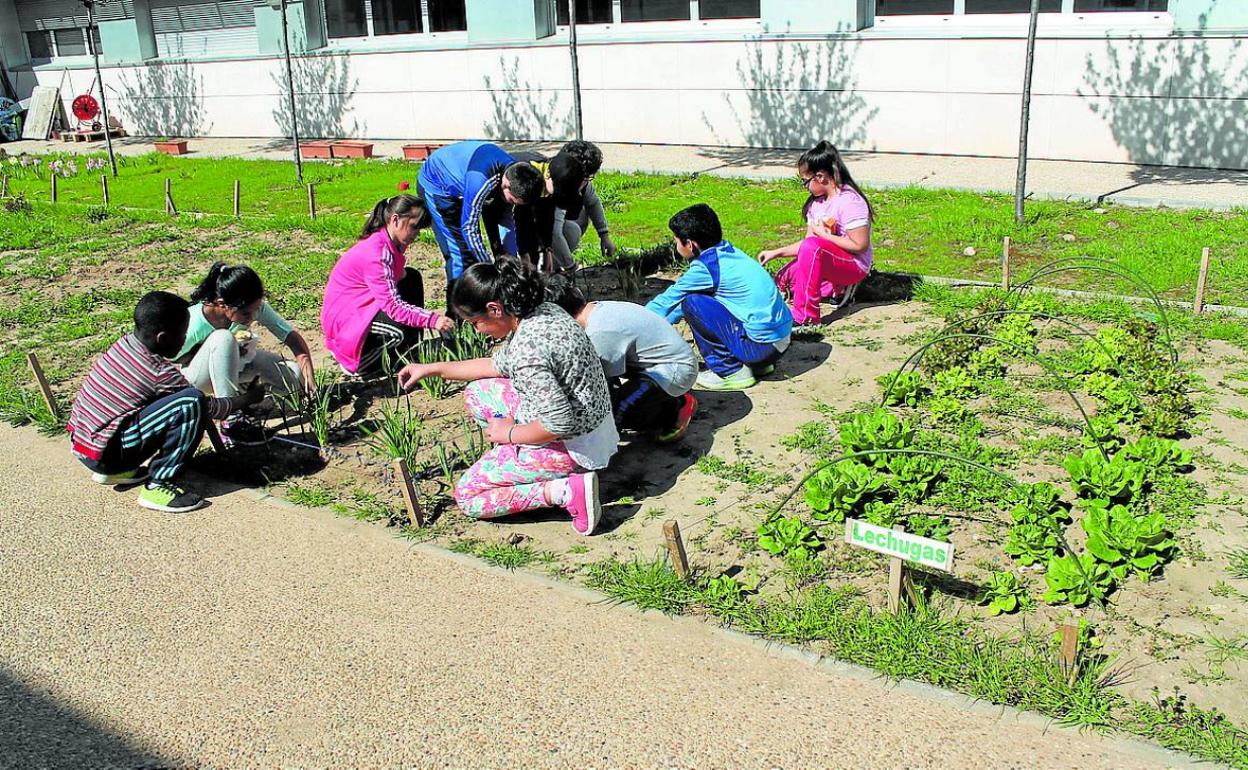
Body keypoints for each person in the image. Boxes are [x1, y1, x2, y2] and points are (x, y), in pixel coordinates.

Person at [396, 260, 618, 535]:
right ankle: (518, 461)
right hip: (594, 426)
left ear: (494, 309)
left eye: (475, 323)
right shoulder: (543, 312)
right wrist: (433, 369)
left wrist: (509, 434)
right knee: (478, 394)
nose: (477, 331)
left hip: (573, 446)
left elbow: (559, 423)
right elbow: (495, 365)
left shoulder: (528, 351)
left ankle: (564, 490)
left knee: (468, 495)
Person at [68, 291, 264, 513]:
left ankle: (115, 472)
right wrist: (248, 398)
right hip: (107, 456)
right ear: (163, 338)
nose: (185, 339)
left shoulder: (124, 345)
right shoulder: (158, 371)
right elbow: (210, 409)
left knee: (169, 405)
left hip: (85, 445)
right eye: (182, 334)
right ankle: (158, 484)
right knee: (192, 402)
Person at [645, 203, 793, 392]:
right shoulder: (728, 252)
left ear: (690, 244)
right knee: (700, 299)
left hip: (760, 349)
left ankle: (731, 371)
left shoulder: (706, 268)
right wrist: (668, 320)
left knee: (692, 302)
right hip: (779, 342)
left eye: (676, 242)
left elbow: (668, 300)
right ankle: (759, 367)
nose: (676, 247)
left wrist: (637, 323)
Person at [545, 273, 697, 443]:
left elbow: (598, 385)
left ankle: (675, 410)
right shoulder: (596, 309)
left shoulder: (599, 332)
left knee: (617, 413)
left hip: (675, 370)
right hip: (660, 363)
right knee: (612, 402)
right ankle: (663, 400)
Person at [178, 262, 315, 445]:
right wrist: (210, 350)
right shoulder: (194, 321)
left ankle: (248, 408)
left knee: (294, 375)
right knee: (223, 338)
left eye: (255, 310)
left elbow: (291, 337)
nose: (251, 317)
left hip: (236, 369)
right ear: (222, 304)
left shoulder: (251, 308)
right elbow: (170, 361)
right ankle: (230, 420)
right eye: (245, 314)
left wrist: (309, 377)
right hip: (196, 380)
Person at [322, 194, 454, 379]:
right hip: (347, 322)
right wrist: (433, 320)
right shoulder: (377, 253)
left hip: (361, 307)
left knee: (412, 277)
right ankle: (363, 366)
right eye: (414, 227)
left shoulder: (393, 243)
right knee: (398, 331)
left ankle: (410, 351)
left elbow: (399, 278)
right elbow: (393, 307)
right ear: (395, 220)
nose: (416, 234)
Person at [759, 141, 874, 326]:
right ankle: (832, 288)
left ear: (820, 177)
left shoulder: (850, 201)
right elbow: (807, 245)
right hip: (825, 257)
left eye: (805, 181)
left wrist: (824, 235)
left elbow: (860, 245)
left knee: (813, 250)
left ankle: (806, 316)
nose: (804, 186)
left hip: (854, 264)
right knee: (784, 279)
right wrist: (776, 253)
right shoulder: (816, 204)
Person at [416, 141, 545, 289]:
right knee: (460, 253)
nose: (511, 204)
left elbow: (506, 221)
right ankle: (456, 299)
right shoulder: (481, 180)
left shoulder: (515, 173)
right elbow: (469, 228)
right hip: (437, 184)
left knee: (475, 253)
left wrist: (511, 261)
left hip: (463, 181)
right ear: (505, 185)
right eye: (511, 200)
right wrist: (490, 269)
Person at [550, 140, 616, 271]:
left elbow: (593, 203)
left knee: (581, 217)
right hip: (523, 232)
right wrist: (570, 266)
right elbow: (554, 232)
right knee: (571, 231)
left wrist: (604, 236)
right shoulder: (555, 184)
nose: (586, 182)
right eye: (586, 178)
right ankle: (544, 267)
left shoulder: (574, 177)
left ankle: (553, 265)